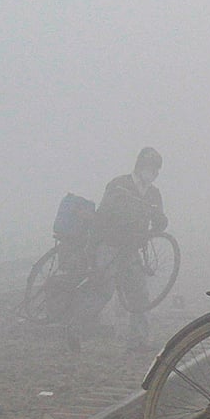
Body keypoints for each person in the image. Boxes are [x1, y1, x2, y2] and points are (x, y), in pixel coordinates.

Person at [68, 146, 168, 353]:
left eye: (156, 169)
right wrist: (93, 247)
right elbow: (102, 216)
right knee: (102, 290)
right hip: (110, 246)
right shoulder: (118, 185)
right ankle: (74, 329)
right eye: (149, 167)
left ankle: (138, 340)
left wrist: (160, 221)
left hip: (131, 250)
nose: (152, 173)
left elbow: (159, 219)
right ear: (139, 166)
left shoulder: (153, 193)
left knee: (139, 294)